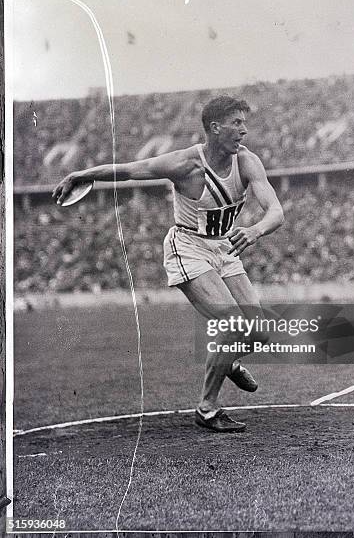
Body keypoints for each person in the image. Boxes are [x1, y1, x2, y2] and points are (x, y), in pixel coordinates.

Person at [53, 95, 284, 432]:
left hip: (223, 249)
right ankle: (207, 408)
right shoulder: (185, 164)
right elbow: (131, 171)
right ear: (215, 127)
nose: (244, 131)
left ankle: (229, 363)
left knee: (261, 331)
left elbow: (276, 211)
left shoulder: (248, 162)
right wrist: (82, 173)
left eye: (244, 123)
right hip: (188, 247)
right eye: (236, 123)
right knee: (233, 324)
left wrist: (255, 230)